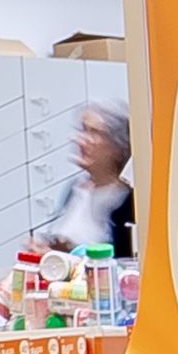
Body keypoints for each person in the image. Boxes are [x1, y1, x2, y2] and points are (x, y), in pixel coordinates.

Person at [38, 102, 135, 256]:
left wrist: (71, 253)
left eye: (94, 132)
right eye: (82, 130)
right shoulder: (76, 188)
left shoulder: (129, 202)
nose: (79, 139)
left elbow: (126, 261)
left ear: (118, 145)